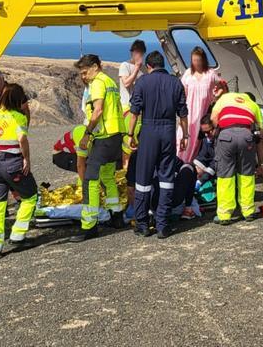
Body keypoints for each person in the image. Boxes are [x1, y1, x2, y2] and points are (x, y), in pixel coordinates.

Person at [127, 51, 189, 239]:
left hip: (149, 131)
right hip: (168, 131)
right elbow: (183, 113)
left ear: (149, 66)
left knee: (143, 181)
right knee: (166, 179)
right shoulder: (175, 82)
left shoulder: (143, 82)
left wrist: (130, 134)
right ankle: (162, 225)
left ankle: (143, 224)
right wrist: (185, 135)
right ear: (163, 65)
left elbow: (135, 112)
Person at [0, 83, 38, 259]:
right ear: (18, 100)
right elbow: (22, 139)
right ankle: (18, 235)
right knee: (30, 196)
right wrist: (26, 159)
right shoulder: (19, 117)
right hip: (13, 163)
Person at [71, 54, 127, 242]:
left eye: (85, 72)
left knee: (90, 180)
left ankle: (89, 226)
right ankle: (117, 216)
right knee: (108, 177)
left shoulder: (97, 83)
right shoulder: (110, 81)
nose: (84, 77)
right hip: (116, 136)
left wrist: (87, 133)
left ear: (95, 67)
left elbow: (98, 110)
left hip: (103, 137)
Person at [210, 90, 263, 224]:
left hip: (226, 136)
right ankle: (248, 212)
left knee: (225, 176)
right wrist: (261, 164)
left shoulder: (225, 98)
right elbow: (260, 137)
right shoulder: (254, 105)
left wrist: (219, 134)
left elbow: (213, 119)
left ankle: (224, 215)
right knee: (246, 175)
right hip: (246, 137)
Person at [178, 47, 220, 163]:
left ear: (203, 60)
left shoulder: (210, 74)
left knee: (199, 139)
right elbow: (182, 93)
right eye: (194, 60)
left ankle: (192, 164)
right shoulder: (188, 73)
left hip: (203, 112)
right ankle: (180, 162)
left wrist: (216, 97)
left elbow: (222, 85)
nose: (196, 63)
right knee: (183, 136)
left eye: (198, 60)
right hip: (189, 112)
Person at [119, 39, 146, 110]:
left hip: (140, 105)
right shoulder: (125, 65)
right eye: (136, 52)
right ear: (132, 52)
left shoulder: (144, 68)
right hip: (127, 105)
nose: (138, 55)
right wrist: (136, 68)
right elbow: (126, 83)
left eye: (141, 52)